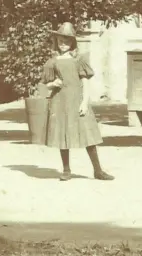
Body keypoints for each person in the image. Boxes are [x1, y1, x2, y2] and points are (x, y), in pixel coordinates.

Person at [40, 22, 113, 181]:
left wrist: (85, 102)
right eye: (60, 41)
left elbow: (85, 82)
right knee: (63, 135)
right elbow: (46, 84)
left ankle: (98, 170)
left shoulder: (79, 60)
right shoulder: (53, 62)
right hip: (60, 102)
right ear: (56, 41)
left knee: (88, 134)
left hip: (77, 100)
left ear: (72, 42)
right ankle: (66, 170)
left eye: (67, 41)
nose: (63, 44)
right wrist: (53, 84)